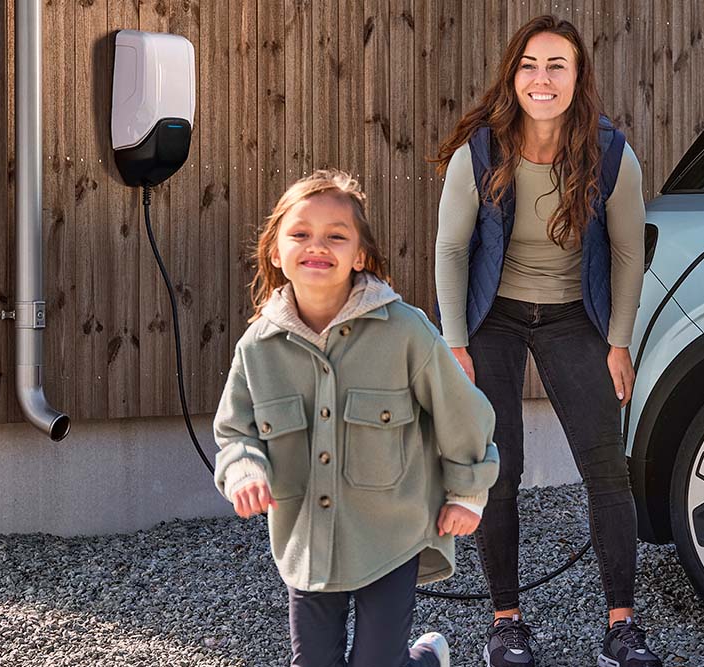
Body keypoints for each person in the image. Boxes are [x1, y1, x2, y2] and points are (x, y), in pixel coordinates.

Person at [433, 15, 660, 667]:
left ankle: (622, 628)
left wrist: (619, 342)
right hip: (494, 316)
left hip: (571, 317)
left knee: (607, 468)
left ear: (578, 76)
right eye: (530, 64)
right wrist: (455, 342)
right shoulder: (480, 151)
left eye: (557, 65)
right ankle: (507, 624)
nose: (543, 78)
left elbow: (625, 253)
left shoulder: (611, 153)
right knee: (500, 468)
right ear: (514, 74)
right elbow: (451, 247)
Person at [213, 169, 500, 667]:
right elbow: (235, 429)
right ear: (276, 252)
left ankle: (425, 659)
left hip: (392, 534)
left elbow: (464, 412)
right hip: (307, 541)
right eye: (300, 234)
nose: (316, 245)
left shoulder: (406, 332)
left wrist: (468, 490)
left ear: (360, 255)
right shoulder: (257, 348)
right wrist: (244, 468)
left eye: (336, 236)